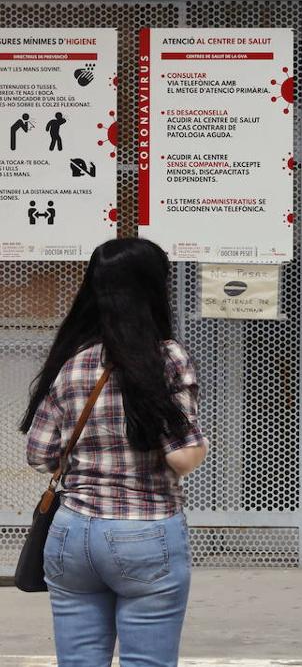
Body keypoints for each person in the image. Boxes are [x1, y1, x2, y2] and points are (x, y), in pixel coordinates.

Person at [20, 237, 209, 667]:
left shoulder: (73, 361)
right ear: (154, 290)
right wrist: (202, 445)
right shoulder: (167, 359)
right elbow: (182, 457)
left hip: (70, 532)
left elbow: (38, 454)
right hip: (144, 531)